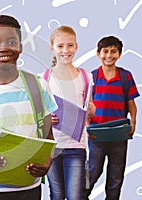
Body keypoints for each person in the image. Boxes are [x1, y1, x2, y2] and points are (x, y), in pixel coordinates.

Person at [0, 15, 58, 200]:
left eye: (11, 41)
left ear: (20, 47)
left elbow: (49, 138)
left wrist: (47, 163)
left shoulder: (39, 86)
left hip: (28, 187)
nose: (4, 48)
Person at [42, 26, 95, 200]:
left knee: (75, 196)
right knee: (56, 195)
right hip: (51, 147)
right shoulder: (43, 78)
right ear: (52, 49)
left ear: (77, 47)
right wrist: (46, 118)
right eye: (60, 46)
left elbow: (90, 106)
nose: (66, 51)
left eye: (70, 45)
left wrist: (90, 111)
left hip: (76, 146)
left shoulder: (86, 77)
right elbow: (37, 115)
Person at [84, 36, 140, 200]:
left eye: (113, 51)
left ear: (120, 54)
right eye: (105, 51)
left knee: (116, 177)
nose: (109, 55)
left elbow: (131, 104)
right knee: (93, 171)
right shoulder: (91, 77)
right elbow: (87, 106)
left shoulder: (125, 77)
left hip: (119, 135)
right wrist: (87, 126)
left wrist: (133, 124)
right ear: (98, 53)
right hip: (97, 135)